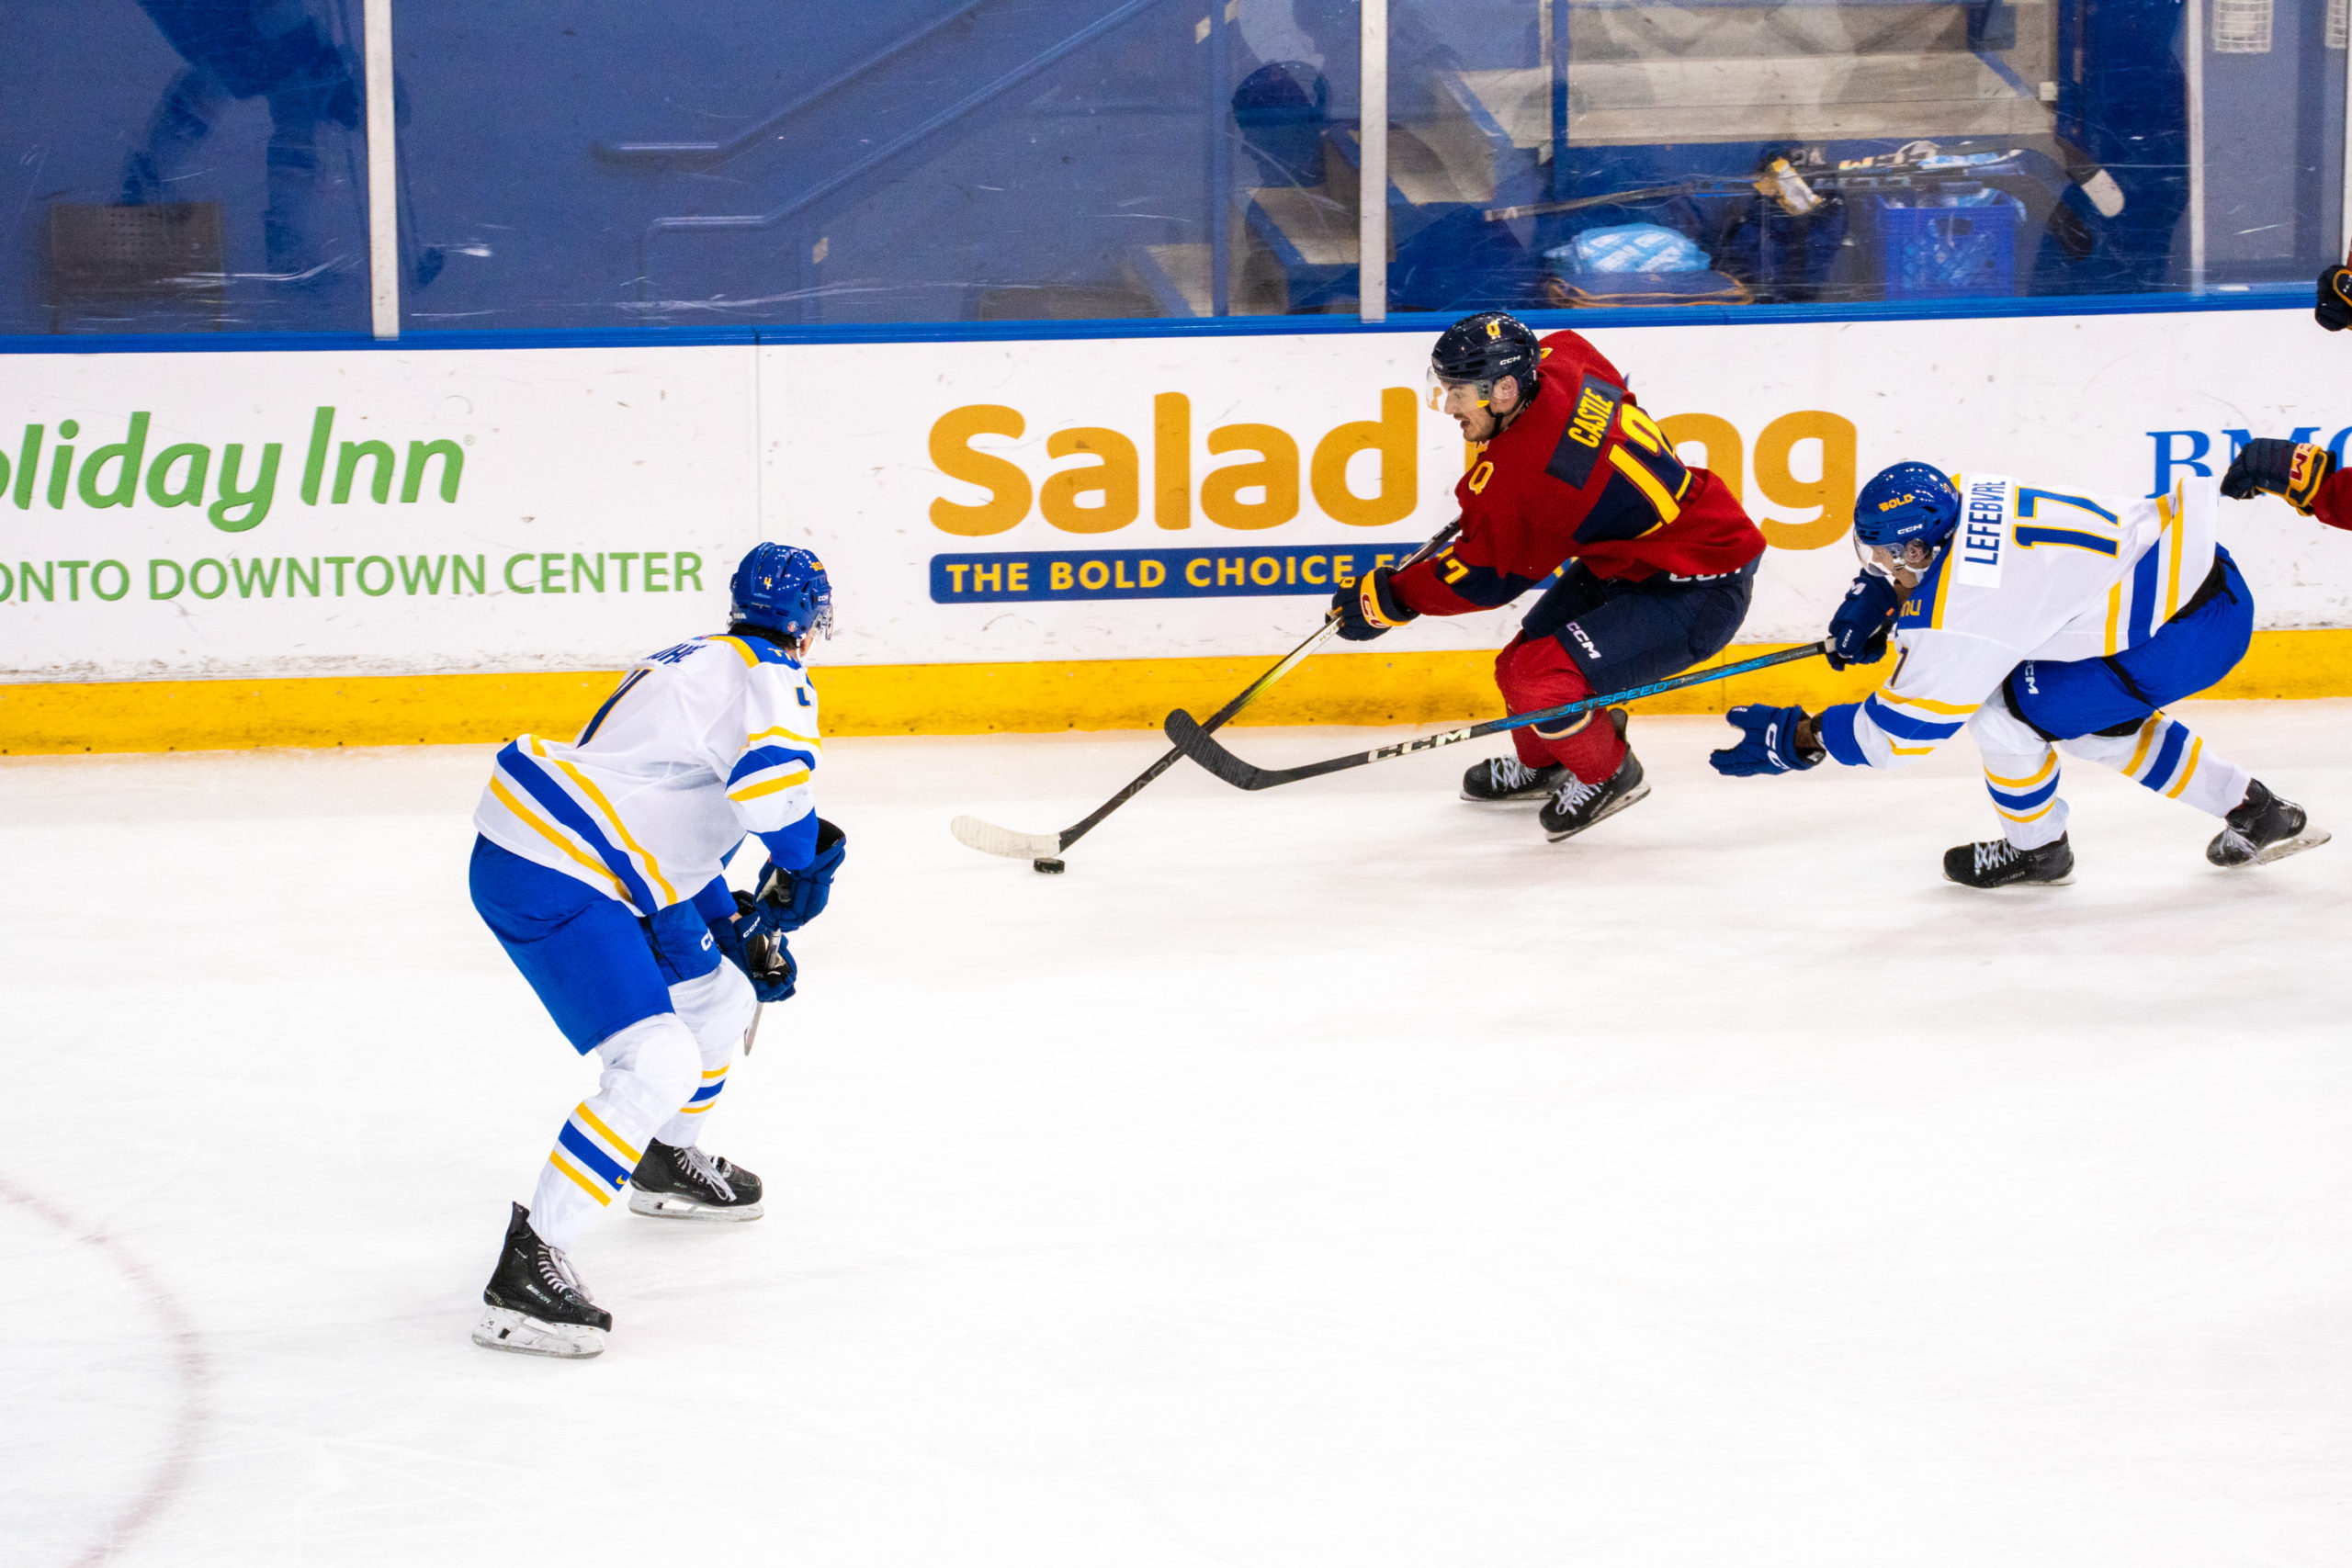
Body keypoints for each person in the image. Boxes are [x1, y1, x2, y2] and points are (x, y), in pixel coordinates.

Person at [466, 543, 846, 1358]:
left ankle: (663, 1159)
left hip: (582, 851)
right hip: (558, 870)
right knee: (659, 1059)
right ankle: (526, 1269)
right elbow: (775, 802)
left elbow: (665, 818)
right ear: (810, 625)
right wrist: (806, 860)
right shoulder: (771, 676)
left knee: (724, 997)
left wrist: (730, 922)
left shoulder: (701, 657)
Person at [1708, 463, 2327, 886]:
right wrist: (1882, 594)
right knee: (2080, 717)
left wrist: (1801, 738)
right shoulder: (1962, 492)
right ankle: (2255, 808)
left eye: (1886, 556)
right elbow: (1974, 577)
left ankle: (2038, 850)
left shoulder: (1961, 609)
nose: (1880, 563)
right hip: (2206, 581)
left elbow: (1899, 735)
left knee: (2004, 715)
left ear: (1919, 550)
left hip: (2180, 636)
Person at [1332, 310, 1766, 841]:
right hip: (1637, 557)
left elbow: (1483, 579)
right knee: (1515, 664)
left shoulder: (1530, 479)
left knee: (1538, 680)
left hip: (1696, 587)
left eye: (1459, 394)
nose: (1449, 407)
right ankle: (1549, 763)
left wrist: (1392, 598)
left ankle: (1609, 773)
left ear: (1506, 389)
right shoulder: (1561, 357)